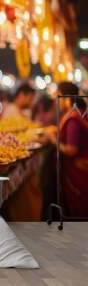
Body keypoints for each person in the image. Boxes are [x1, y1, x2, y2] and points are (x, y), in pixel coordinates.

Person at [48, 84, 88, 217]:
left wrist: (54, 141)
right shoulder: (79, 112)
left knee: (79, 211)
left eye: (58, 96)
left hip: (77, 170)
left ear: (66, 98)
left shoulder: (73, 119)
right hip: (81, 167)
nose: (56, 101)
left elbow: (71, 149)